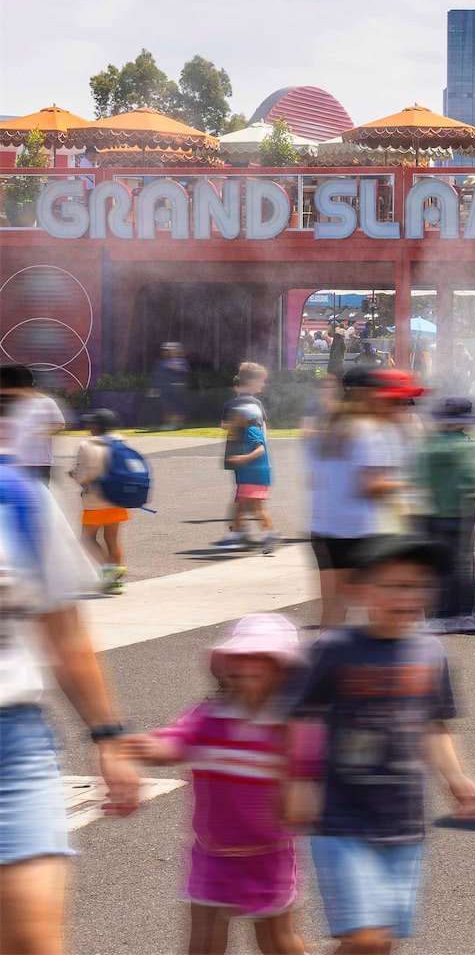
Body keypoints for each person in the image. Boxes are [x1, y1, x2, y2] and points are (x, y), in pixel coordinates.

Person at [284, 536, 475, 954]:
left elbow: (435, 725)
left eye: (418, 585)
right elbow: (300, 715)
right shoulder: (335, 648)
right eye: (394, 585)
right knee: (365, 935)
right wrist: (301, 780)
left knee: (379, 944)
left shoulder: (432, 651)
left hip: (403, 823)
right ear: (360, 590)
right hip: (340, 818)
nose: (409, 596)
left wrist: (457, 778)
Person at [0, 442, 141, 955]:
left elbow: (63, 631)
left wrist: (108, 735)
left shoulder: (16, 496)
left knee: (34, 943)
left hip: (11, 749)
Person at [124, 614, 316, 955]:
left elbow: (306, 775)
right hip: (212, 850)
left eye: (262, 658)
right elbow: (177, 743)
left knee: (277, 937)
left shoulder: (289, 726)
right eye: (240, 658)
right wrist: (150, 748)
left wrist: (303, 798)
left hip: (269, 852)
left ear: (284, 671)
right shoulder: (208, 716)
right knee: (204, 938)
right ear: (224, 667)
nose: (248, 666)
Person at [308, 368, 421, 629]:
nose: (404, 408)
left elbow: (314, 479)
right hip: (361, 533)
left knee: (334, 614)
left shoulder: (330, 425)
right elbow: (371, 485)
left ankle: (326, 666)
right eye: (399, 401)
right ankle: (382, 665)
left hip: (326, 529)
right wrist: (415, 489)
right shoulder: (369, 430)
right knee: (382, 613)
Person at [416, 398, 475, 634]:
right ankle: (465, 614)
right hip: (463, 513)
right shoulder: (473, 447)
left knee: (437, 564)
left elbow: (418, 479)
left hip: (433, 512)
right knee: (464, 564)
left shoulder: (429, 446)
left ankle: (440, 615)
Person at [71, 409, 135, 593]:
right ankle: (113, 582)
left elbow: (82, 476)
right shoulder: (122, 442)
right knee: (112, 539)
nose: (89, 427)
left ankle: (110, 569)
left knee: (87, 538)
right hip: (118, 498)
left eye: (91, 424)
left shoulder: (87, 445)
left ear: (97, 426)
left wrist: (73, 474)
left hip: (95, 500)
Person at [221, 387, 277, 554]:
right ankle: (236, 535)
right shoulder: (248, 430)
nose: (236, 418)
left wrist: (242, 458)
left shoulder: (252, 431)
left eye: (239, 415)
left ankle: (270, 535)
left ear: (247, 417)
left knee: (256, 507)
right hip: (251, 475)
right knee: (241, 505)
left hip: (256, 475)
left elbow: (260, 450)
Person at [0, 364, 67, 486]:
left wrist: (39, 432)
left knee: (40, 495)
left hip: (41, 462)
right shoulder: (9, 404)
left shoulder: (47, 402)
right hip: (15, 462)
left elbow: (60, 425)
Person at [152, 343, 191, 430]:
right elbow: (157, 375)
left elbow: (184, 371)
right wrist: (154, 387)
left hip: (177, 389)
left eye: (170, 350)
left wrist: (175, 367)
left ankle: (174, 424)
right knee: (166, 407)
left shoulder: (182, 361)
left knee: (175, 407)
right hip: (164, 389)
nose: (167, 352)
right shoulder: (160, 363)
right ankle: (169, 424)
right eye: (166, 350)